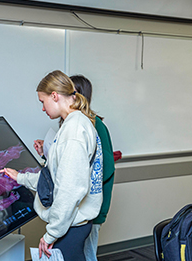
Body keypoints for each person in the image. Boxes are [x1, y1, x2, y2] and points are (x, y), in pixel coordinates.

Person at [0, 70, 103, 261]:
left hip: (71, 225)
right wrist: (20, 177)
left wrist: (51, 234)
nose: (43, 109)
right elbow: (57, 177)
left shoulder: (74, 132)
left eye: (42, 102)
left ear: (54, 96)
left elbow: (69, 189)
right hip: (73, 223)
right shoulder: (77, 123)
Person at [70, 75, 115, 261]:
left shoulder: (96, 125)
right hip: (79, 206)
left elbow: (106, 168)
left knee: (87, 254)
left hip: (91, 206)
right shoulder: (74, 123)